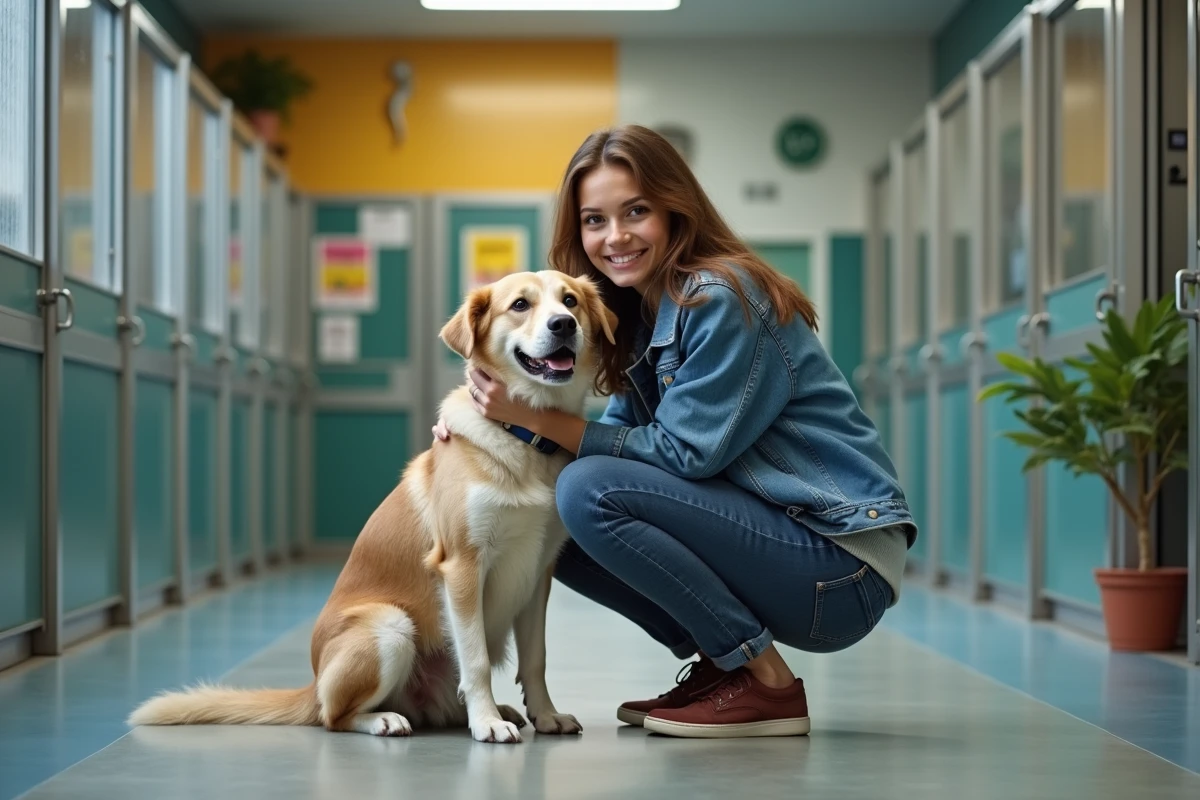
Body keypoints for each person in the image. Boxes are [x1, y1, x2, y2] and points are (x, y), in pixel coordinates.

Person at [432, 124, 916, 739]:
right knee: (558, 511)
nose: (615, 236)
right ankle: (726, 666)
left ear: (675, 208)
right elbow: (614, 434)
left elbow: (681, 454)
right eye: (595, 220)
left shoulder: (721, 296)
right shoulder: (645, 310)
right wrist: (475, 422)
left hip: (838, 564)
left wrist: (532, 418)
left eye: (636, 211)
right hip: (783, 545)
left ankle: (764, 681)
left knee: (585, 490)